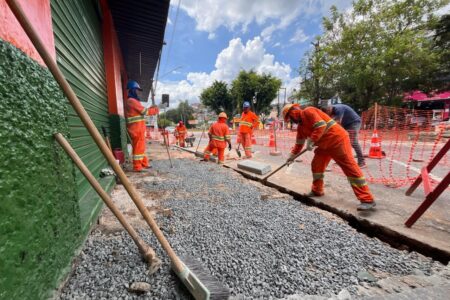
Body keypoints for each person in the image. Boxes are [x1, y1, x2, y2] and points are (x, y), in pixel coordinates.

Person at [282, 103, 376, 211]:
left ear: (293, 112)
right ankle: (317, 190)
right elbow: (298, 144)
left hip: (337, 140)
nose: (291, 121)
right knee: (317, 165)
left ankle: (367, 200)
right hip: (324, 146)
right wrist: (291, 156)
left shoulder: (309, 111)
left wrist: (311, 140)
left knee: (350, 168)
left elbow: (321, 125)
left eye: (290, 118)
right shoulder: (301, 128)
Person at [125, 80, 159, 172]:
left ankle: (144, 163)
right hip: (136, 129)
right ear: (132, 90)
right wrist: (154, 110)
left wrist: (152, 109)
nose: (138, 92)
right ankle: (137, 167)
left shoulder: (132, 101)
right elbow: (145, 112)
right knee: (138, 148)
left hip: (137, 128)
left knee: (141, 148)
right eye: (137, 90)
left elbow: (142, 111)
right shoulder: (131, 101)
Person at [321, 103, 366, 167]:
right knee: (342, 141)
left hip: (354, 123)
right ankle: (342, 159)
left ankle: (362, 161)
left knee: (353, 142)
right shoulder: (331, 111)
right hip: (346, 124)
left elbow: (337, 122)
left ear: (329, 109)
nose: (328, 115)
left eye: (327, 113)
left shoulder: (338, 109)